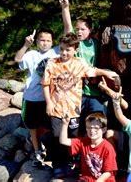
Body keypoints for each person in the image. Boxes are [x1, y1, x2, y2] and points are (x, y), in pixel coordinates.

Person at [42, 33, 118, 178]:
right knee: (58, 136)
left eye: (68, 50)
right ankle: (59, 165)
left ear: (75, 50)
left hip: (74, 110)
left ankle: (73, 163)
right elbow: (45, 85)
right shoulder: (52, 63)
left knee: (72, 137)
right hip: (57, 108)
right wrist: (49, 103)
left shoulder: (79, 63)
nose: (64, 53)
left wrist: (106, 74)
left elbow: (93, 71)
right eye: (62, 49)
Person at [60, 0, 106, 136]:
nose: (79, 32)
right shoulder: (75, 43)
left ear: (90, 30)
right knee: (75, 125)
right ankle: (75, 153)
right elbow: (68, 27)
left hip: (94, 90)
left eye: (83, 29)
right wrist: (65, 8)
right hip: (76, 91)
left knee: (96, 122)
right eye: (78, 29)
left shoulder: (96, 44)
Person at [14, 28, 59, 167]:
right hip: (31, 98)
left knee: (50, 127)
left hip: (49, 99)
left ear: (52, 42)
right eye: (42, 40)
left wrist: (65, 9)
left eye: (48, 40)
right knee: (32, 127)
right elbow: (17, 59)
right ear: (37, 41)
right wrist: (26, 45)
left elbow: (69, 32)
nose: (45, 43)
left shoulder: (56, 52)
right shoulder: (32, 54)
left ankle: (52, 150)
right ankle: (37, 151)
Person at [59, 112, 117, 182]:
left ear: (104, 130)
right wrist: (65, 124)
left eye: (96, 128)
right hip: (86, 179)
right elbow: (63, 141)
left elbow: (108, 172)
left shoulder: (108, 148)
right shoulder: (84, 141)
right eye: (89, 127)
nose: (92, 130)